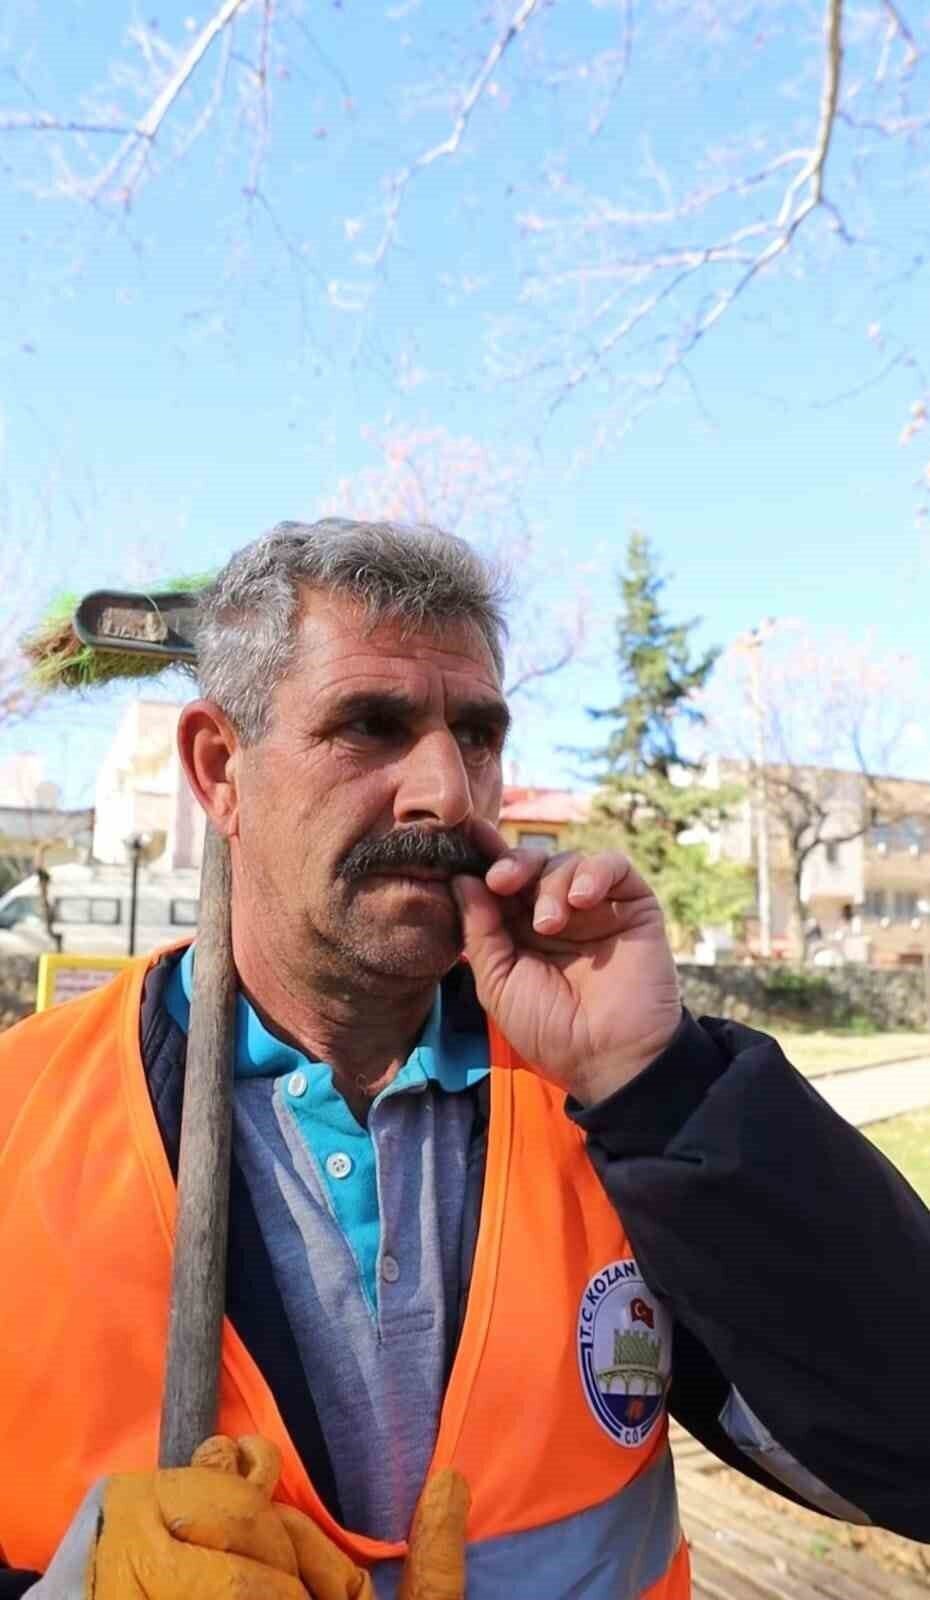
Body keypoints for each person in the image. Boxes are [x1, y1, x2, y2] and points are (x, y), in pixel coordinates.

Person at [1, 519, 928, 1600]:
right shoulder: (21, 1116)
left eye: (478, 735)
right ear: (220, 769)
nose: (448, 790)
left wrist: (662, 1083)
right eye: (370, 725)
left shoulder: (603, 1094)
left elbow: (907, 1443)